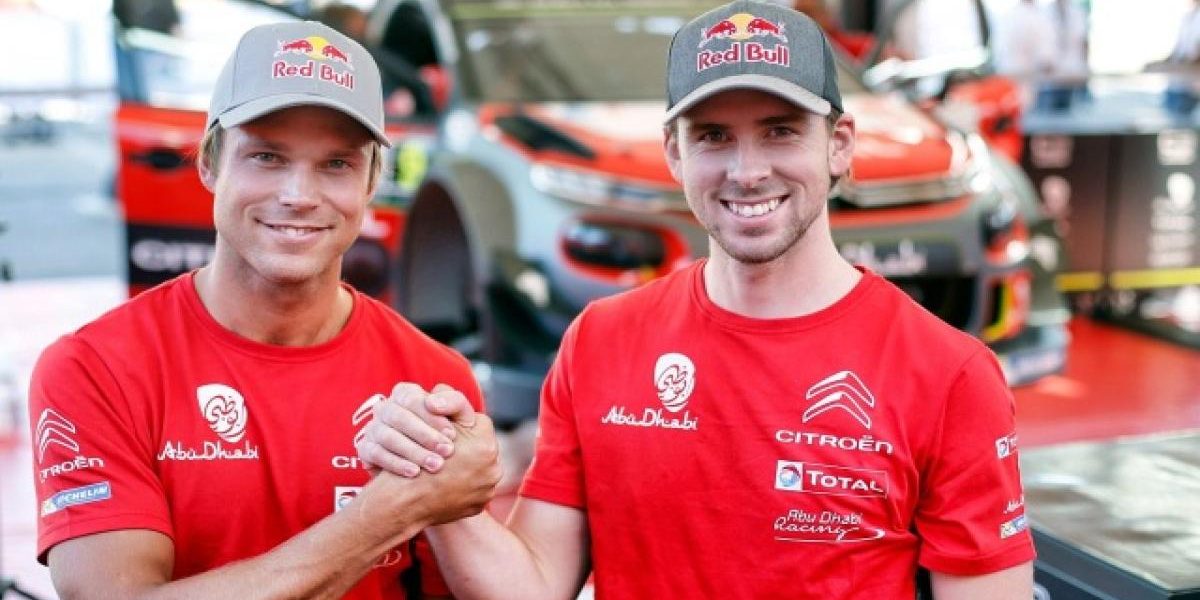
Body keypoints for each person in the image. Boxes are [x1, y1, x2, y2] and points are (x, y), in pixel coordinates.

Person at [356, 1, 1036, 598]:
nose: (747, 170)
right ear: (675, 154)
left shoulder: (949, 374)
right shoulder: (600, 342)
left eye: (780, 130)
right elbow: (532, 584)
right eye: (713, 136)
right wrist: (435, 477)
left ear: (839, 146)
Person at [28, 20, 500, 599]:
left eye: (337, 164)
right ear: (209, 163)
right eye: (267, 156)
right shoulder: (95, 368)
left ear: (372, 181)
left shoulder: (432, 378)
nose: (299, 195)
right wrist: (390, 511)